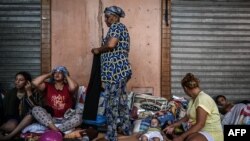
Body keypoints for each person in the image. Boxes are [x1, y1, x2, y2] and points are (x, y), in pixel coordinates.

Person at [91, 5, 132, 141]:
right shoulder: (119, 28)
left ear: (114, 17)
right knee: (121, 102)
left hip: (115, 72)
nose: (106, 20)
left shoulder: (116, 27)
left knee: (111, 104)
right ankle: (126, 130)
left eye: (107, 17)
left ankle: (112, 135)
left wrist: (98, 49)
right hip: (120, 71)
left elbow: (110, 45)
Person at [163, 73, 223, 141]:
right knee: (174, 134)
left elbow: (200, 124)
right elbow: (186, 118)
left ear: (185, 88)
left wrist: (181, 137)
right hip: (199, 131)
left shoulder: (203, 98)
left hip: (211, 133)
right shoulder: (193, 99)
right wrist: (172, 126)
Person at [31, 66, 82, 135]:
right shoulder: (48, 85)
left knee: (79, 117)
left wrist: (66, 74)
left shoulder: (68, 87)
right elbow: (34, 83)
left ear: (64, 75)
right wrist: (49, 74)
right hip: (51, 119)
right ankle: (57, 131)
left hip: (66, 119)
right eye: (55, 73)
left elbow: (74, 87)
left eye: (60, 73)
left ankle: (53, 130)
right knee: (35, 109)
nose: (57, 74)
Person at [0, 71, 39, 140]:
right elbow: (4, 109)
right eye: (16, 79)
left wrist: (29, 91)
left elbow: (35, 108)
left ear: (27, 82)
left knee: (31, 115)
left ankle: (9, 136)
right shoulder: (11, 92)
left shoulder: (34, 92)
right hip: (13, 118)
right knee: (11, 126)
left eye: (20, 80)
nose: (17, 82)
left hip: (26, 118)